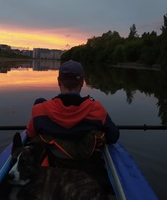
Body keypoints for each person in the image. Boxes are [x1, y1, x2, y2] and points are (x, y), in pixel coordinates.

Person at [26, 60, 119, 192]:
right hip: (88, 175)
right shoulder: (97, 110)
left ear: (59, 81)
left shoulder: (39, 110)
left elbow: (29, 135)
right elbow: (114, 137)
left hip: (53, 174)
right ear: (82, 82)